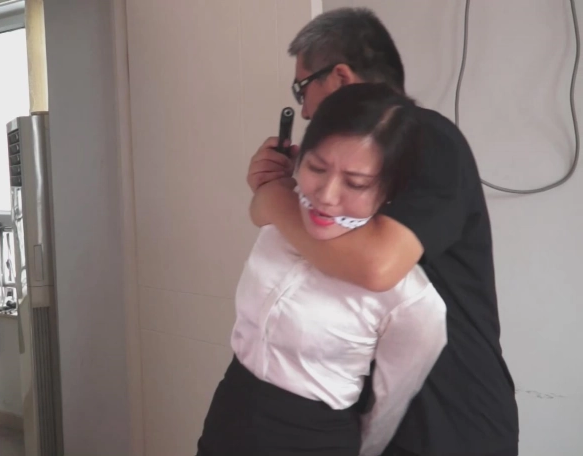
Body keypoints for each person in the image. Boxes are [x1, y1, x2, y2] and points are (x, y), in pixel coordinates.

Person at [246, 8, 519, 456]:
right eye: (319, 168)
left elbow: (377, 265)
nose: (305, 110)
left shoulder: (427, 136)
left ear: (339, 77)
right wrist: (281, 188)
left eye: (303, 88)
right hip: (375, 411)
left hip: (447, 413)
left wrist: (275, 202)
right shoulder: (365, 156)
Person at [196, 83, 447, 456]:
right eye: (316, 167)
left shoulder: (410, 298)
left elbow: (387, 408)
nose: (326, 196)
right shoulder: (280, 220)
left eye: (356, 183)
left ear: (390, 191)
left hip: (314, 439)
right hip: (229, 415)